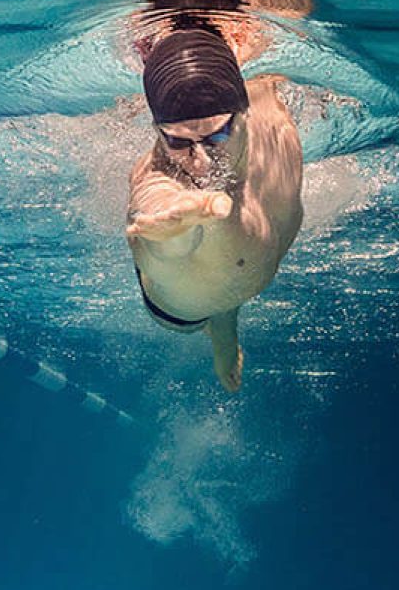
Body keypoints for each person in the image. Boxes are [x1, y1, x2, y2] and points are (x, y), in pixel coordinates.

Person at [126, 26, 303, 392]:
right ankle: (221, 323)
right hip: (183, 301)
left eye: (217, 135)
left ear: (245, 112)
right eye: (177, 140)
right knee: (204, 289)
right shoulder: (162, 170)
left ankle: (225, 319)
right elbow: (153, 193)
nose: (200, 163)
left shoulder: (266, 101)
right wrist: (171, 233)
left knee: (228, 268)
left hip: (233, 272)